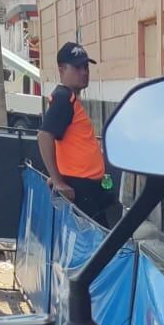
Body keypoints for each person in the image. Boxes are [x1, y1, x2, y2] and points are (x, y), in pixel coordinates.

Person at [38, 43, 118, 226]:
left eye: (86, 67)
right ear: (62, 69)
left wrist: (57, 174)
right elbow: (44, 136)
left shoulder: (70, 99)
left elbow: (64, 141)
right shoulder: (63, 99)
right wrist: (58, 180)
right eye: (77, 67)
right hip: (81, 190)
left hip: (87, 189)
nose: (84, 72)